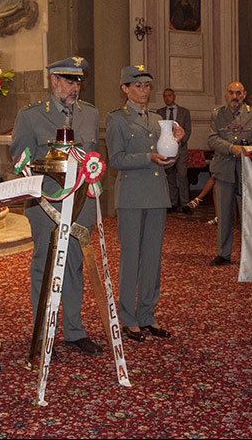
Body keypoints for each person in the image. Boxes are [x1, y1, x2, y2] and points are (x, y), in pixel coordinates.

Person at [10, 56, 103, 355]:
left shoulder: (89, 114)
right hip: (46, 203)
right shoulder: (32, 116)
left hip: (79, 204)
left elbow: (93, 160)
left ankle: (74, 331)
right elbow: (20, 158)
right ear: (54, 81)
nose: (74, 87)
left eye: (78, 81)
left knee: (75, 265)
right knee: (44, 266)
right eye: (68, 80)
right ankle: (41, 328)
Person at [105, 65, 185, 342]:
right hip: (131, 195)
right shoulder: (117, 119)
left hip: (156, 194)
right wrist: (147, 157)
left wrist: (174, 145)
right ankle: (128, 318)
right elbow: (116, 159)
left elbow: (167, 160)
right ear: (125, 89)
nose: (144, 91)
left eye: (147, 86)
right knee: (131, 258)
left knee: (152, 258)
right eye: (138, 86)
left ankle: (147, 315)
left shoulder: (157, 120)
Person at [207, 81, 252, 266]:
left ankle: (250, 255)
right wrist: (231, 148)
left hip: (246, 172)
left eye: (238, 93)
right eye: (231, 93)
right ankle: (223, 253)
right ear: (226, 94)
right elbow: (212, 139)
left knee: (248, 215)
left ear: (244, 94)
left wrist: (245, 149)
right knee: (224, 215)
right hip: (224, 170)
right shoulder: (218, 114)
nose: (235, 97)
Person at [156, 88, 192, 214]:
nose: (167, 98)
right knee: (170, 176)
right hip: (165, 150)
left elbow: (187, 130)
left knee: (182, 176)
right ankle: (172, 202)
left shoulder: (184, 112)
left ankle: (185, 203)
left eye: (169, 95)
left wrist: (178, 142)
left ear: (174, 96)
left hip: (181, 148)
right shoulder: (159, 113)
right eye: (165, 96)